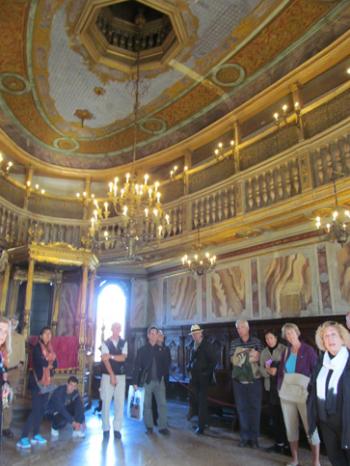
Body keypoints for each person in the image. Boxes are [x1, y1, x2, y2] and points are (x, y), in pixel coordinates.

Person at [277, 323, 320, 466]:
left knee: (310, 427)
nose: (290, 336)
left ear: (297, 332)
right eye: (287, 334)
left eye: (292, 332)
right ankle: (295, 459)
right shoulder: (286, 352)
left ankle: (316, 461)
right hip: (287, 394)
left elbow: (316, 372)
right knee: (290, 426)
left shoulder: (308, 350)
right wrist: (279, 387)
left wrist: (313, 392)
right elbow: (281, 372)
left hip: (304, 394)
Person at [308, 321, 350, 466]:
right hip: (326, 422)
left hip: (347, 421)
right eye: (326, 336)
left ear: (342, 338)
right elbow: (312, 387)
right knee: (335, 459)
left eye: (333, 335)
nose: (330, 339)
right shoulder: (321, 363)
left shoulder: (348, 361)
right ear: (323, 342)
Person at [17, 326, 57, 449]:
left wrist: (49, 364)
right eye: (45, 334)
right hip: (37, 383)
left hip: (46, 383)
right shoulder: (36, 348)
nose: (48, 336)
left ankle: (36, 434)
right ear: (40, 336)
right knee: (36, 410)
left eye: (50, 334)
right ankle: (23, 437)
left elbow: (56, 363)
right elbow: (40, 363)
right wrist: (49, 363)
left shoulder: (50, 349)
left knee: (41, 410)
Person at [230, 319, 263, 448]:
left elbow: (263, 358)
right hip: (239, 381)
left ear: (248, 328)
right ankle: (244, 437)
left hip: (254, 381)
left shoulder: (256, 342)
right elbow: (233, 360)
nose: (240, 330)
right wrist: (250, 355)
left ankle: (254, 439)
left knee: (255, 409)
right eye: (238, 328)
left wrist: (256, 356)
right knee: (242, 409)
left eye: (242, 327)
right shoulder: (234, 343)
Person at [133, 326, 170, 436]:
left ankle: (162, 426)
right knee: (147, 405)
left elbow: (166, 364)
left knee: (162, 404)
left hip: (159, 381)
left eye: (156, 334)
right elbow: (137, 367)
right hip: (146, 381)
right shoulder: (142, 350)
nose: (154, 336)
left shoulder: (161, 350)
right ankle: (149, 426)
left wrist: (163, 377)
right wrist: (135, 382)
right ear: (148, 335)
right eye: (152, 333)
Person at [259, 329, 288, 454]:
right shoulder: (264, 352)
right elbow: (261, 368)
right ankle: (278, 442)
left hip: (283, 388)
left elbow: (288, 367)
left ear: (276, 338)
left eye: (271, 338)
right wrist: (269, 372)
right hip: (269, 388)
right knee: (275, 417)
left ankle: (287, 445)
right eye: (266, 339)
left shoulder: (284, 349)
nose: (269, 341)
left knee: (285, 417)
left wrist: (275, 371)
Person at [100, 322, 127, 440]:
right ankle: (106, 428)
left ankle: (117, 428)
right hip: (107, 375)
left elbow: (123, 357)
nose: (117, 329)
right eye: (115, 327)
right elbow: (104, 360)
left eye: (119, 327)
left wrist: (110, 356)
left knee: (120, 402)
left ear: (120, 329)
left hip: (121, 375)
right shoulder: (105, 343)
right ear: (111, 329)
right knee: (106, 401)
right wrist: (111, 375)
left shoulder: (124, 343)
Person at [188, 324, 217, 435]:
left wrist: (206, 373)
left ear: (201, 333)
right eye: (193, 334)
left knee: (202, 402)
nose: (194, 336)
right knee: (198, 401)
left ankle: (201, 427)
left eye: (196, 334)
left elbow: (214, 361)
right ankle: (203, 422)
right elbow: (193, 359)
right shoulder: (193, 345)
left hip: (204, 379)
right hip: (195, 378)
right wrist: (189, 365)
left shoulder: (207, 345)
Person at [2, 317, 25, 439]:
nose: (14, 323)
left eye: (16, 321)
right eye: (11, 320)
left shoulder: (20, 338)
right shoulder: (2, 335)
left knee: (6, 400)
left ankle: (5, 426)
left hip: (12, 373)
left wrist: (17, 369)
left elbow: (22, 358)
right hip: (2, 371)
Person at [152, 329, 171, 425]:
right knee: (154, 400)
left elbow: (168, 362)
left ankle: (163, 419)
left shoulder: (166, 349)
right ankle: (154, 418)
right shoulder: (153, 348)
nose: (162, 337)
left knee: (163, 401)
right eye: (160, 335)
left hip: (164, 377)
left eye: (162, 335)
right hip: (155, 378)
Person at [0, 317, 11, 441]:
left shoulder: (2, 352)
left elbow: (2, 370)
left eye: (5, 332)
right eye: (0, 330)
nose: (3, 335)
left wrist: (5, 384)